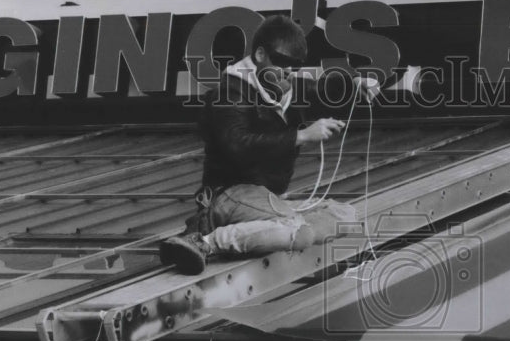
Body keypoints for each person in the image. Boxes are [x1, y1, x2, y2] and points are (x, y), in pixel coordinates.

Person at [159, 15, 372, 274]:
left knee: (345, 215)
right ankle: (204, 242)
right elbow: (238, 144)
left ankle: (273, 230)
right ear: (260, 54)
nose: (288, 72)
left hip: (265, 198)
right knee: (296, 229)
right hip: (228, 197)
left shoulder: (283, 87)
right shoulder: (229, 93)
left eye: (294, 66)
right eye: (282, 63)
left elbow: (320, 89)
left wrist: (354, 84)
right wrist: (300, 136)